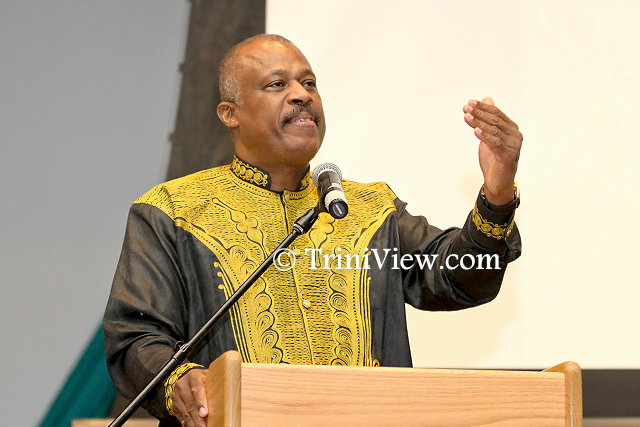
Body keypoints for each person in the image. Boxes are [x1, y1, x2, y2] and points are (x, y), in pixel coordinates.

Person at [104, 34, 522, 427]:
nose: (301, 94)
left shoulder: (372, 210)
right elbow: (136, 335)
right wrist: (180, 380)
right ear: (230, 114)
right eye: (277, 84)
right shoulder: (173, 210)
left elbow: (462, 276)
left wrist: (498, 193)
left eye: (309, 83)